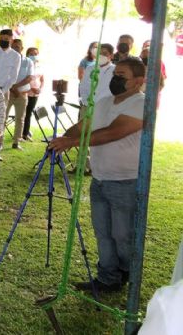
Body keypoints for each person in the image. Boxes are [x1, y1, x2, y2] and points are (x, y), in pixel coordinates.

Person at [49, 57, 146, 293]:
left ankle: (125, 272)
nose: (116, 79)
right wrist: (63, 139)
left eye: (122, 76)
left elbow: (114, 132)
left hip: (126, 180)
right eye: (115, 75)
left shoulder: (141, 104)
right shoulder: (104, 101)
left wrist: (72, 142)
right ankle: (107, 277)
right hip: (101, 178)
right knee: (103, 232)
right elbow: (84, 126)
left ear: (139, 81)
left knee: (123, 235)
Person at [7, 39, 34, 150]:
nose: (15, 49)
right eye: (13, 47)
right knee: (2, 117)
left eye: (17, 47)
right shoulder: (7, 60)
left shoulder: (28, 62)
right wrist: (12, 87)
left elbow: (29, 77)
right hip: (7, 92)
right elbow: (4, 76)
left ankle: (16, 142)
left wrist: (16, 87)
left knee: (20, 118)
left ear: (22, 48)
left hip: (22, 94)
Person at [0, 29, 21, 113]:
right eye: (1, 38)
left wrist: (2, 91)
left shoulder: (15, 56)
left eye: (6, 39)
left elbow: (13, 77)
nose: (3, 40)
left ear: (11, 40)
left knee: (0, 117)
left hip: (4, 90)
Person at [79, 43, 115, 112]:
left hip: (105, 109)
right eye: (99, 53)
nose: (101, 55)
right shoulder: (90, 69)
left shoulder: (115, 70)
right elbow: (83, 86)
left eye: (105, 53)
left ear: (111, 56)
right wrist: (86, 101)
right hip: (87, 106)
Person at [22, 47, 42, 141]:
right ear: (27, 54)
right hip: (26, 92)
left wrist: (39, 89)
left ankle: (26, 132)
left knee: (29, 113)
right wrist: (31, 88)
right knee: (25, 113)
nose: (34, 56)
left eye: (35, 54)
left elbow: (42, 79)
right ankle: (24, 133)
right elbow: (23, 79)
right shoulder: (24, 65)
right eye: (31, 54)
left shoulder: (39, 66)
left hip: (35, 94)